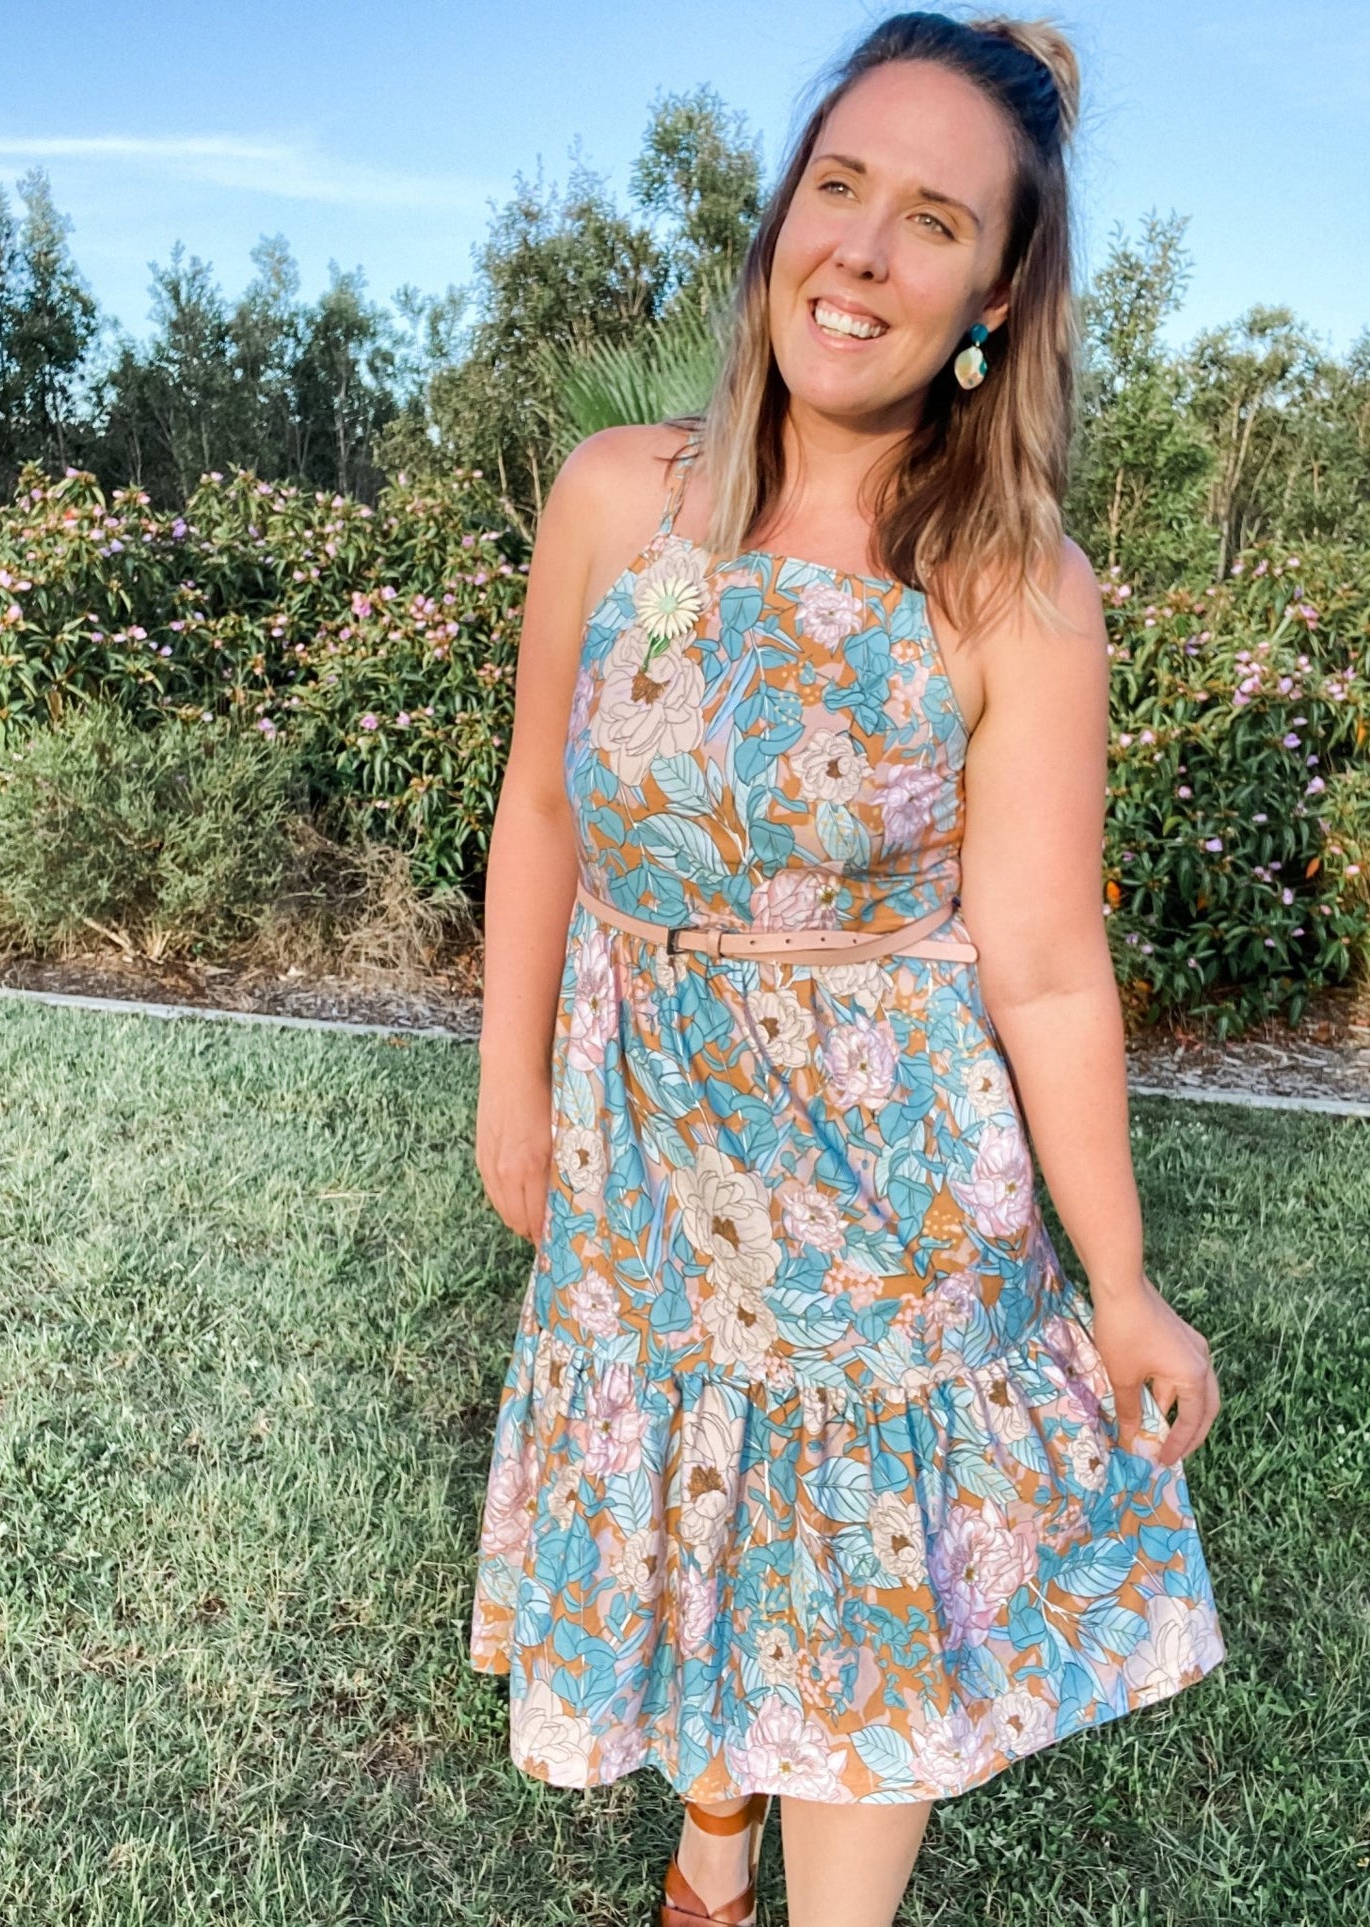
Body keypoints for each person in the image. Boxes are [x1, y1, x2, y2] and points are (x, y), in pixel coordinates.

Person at [468, 11, 1227, 1925]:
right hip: (642, 1143)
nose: (865, 253)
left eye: (935, 222)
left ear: (997, 293)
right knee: (695, 1496)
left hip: (884, 1203)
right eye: (840, 187)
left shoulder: (1010, 586)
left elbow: (1043, 965)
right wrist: (511, 1088)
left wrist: (1121, 1285)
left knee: (851, 1613)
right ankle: (712, 1830)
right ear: (782, 211)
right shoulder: (614, 498)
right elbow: (540, 811)